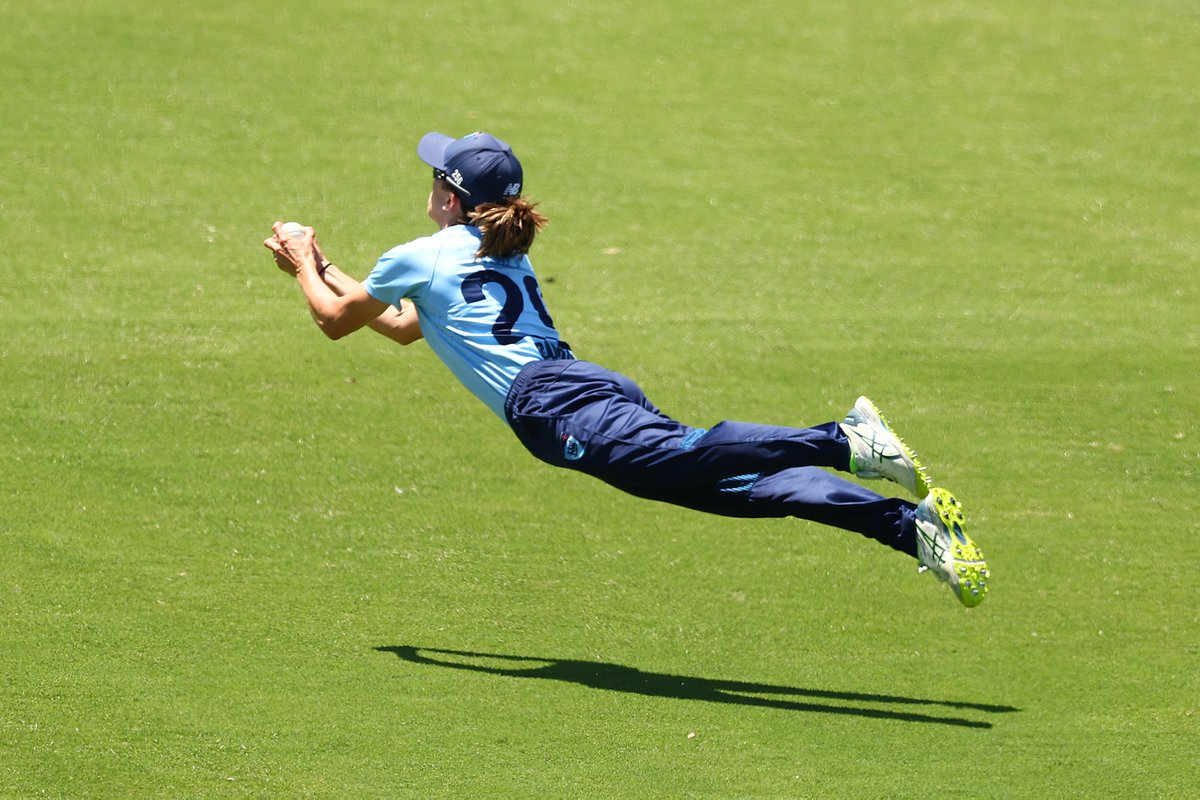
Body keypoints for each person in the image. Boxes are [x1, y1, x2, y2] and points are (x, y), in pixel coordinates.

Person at [264, 131, 990, 607]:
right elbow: (394, 325)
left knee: (701, 453)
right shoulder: (488, 252)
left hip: (554, 408)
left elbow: (336, 321)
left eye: (433, 178)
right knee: (740, 488)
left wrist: (300, 260)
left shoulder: (421, 254)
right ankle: (912, 528)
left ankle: (845, 439)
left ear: (450, 198)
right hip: (586, 389)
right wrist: (320, 264)